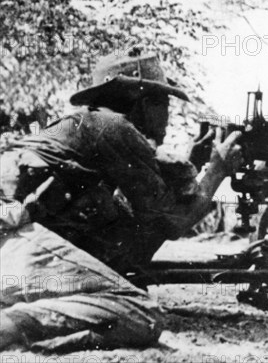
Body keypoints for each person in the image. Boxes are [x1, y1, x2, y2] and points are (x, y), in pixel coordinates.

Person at [0, 52, 243, 352]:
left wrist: (193, 165)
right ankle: (8, 327)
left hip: (13, 241)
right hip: (12, 239)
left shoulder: (89, 125)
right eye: (164, 104)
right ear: (143, 103)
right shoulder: (114, 127)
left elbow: (140, 226)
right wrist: (218, 170)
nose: (168, 115)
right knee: (142, 314)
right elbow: (174, 222)